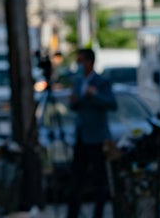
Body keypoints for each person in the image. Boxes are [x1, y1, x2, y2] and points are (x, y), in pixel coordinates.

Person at [66, 48, 117, 218]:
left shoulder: (101, 82)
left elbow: (111, 103)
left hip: (96, 138)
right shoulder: (79, 81)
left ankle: (99, 213)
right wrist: (74, 101)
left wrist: (94, 94)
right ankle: (72, 213)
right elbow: (75, 106)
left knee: (99, 179)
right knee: (76, 178)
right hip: (81, 136)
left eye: (81, 61)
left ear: (89, 62)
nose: (79, 65)